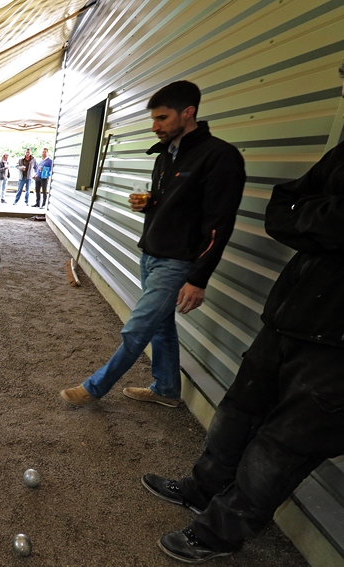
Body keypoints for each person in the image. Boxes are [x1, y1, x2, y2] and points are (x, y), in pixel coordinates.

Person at [143, 62, 344, 564]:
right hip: (290, 315)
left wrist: (314, 219)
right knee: (237, 411)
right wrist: (321, 220)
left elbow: (306, 214)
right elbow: (283, 206)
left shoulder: (219, 157)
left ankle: (220, 533)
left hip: (338, 346)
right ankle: (200, 487)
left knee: (282, 447)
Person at [60, 80, 245, 408]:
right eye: (154, 119)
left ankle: (94, 388)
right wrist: (150, 204)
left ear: (188, 113)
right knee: (160, 327)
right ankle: (167, 389)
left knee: (137, 329)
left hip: (179, 261)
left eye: (162, 118)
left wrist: (198, 278)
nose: (155, 126)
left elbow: (219, 224)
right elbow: (175, 204)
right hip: (152, 254)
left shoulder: (220, 157)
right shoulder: (166, 155)